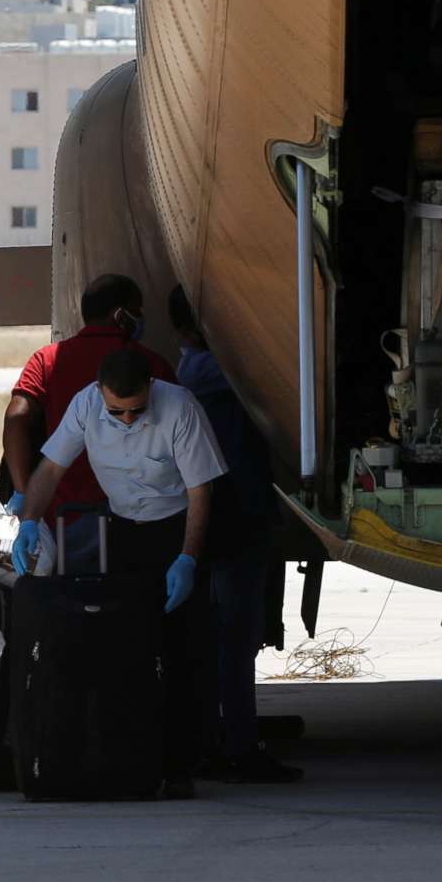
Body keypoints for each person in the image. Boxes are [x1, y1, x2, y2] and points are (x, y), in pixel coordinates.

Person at [14, 346, 229, 798]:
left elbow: (200, 493)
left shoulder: (179, 408)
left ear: (151, 389)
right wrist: (29, 520)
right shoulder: (85, 404)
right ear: (99, 392)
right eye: (117, 412)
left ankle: (182, 764)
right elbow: (51, 468)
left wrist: (187, 559)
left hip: (177, 529)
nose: (127, 420)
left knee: (181, 650)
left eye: (135, 412)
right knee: (130, 647)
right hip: (125, 529)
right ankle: (133, 756)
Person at [166, 286, 301, 783]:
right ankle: (239, 745)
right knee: (235, 640)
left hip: (210, 523)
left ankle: (211, 741)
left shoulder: (188, 373)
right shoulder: (220, 374)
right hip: (236, 522)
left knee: (214, 638)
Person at [3, 273, 174, 530]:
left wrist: (22, 491)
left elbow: (16, 417)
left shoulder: (47, 360)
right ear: (120, 316)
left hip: (66, 514)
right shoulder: (150, 364)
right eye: (136, 310)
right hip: (137, 514)